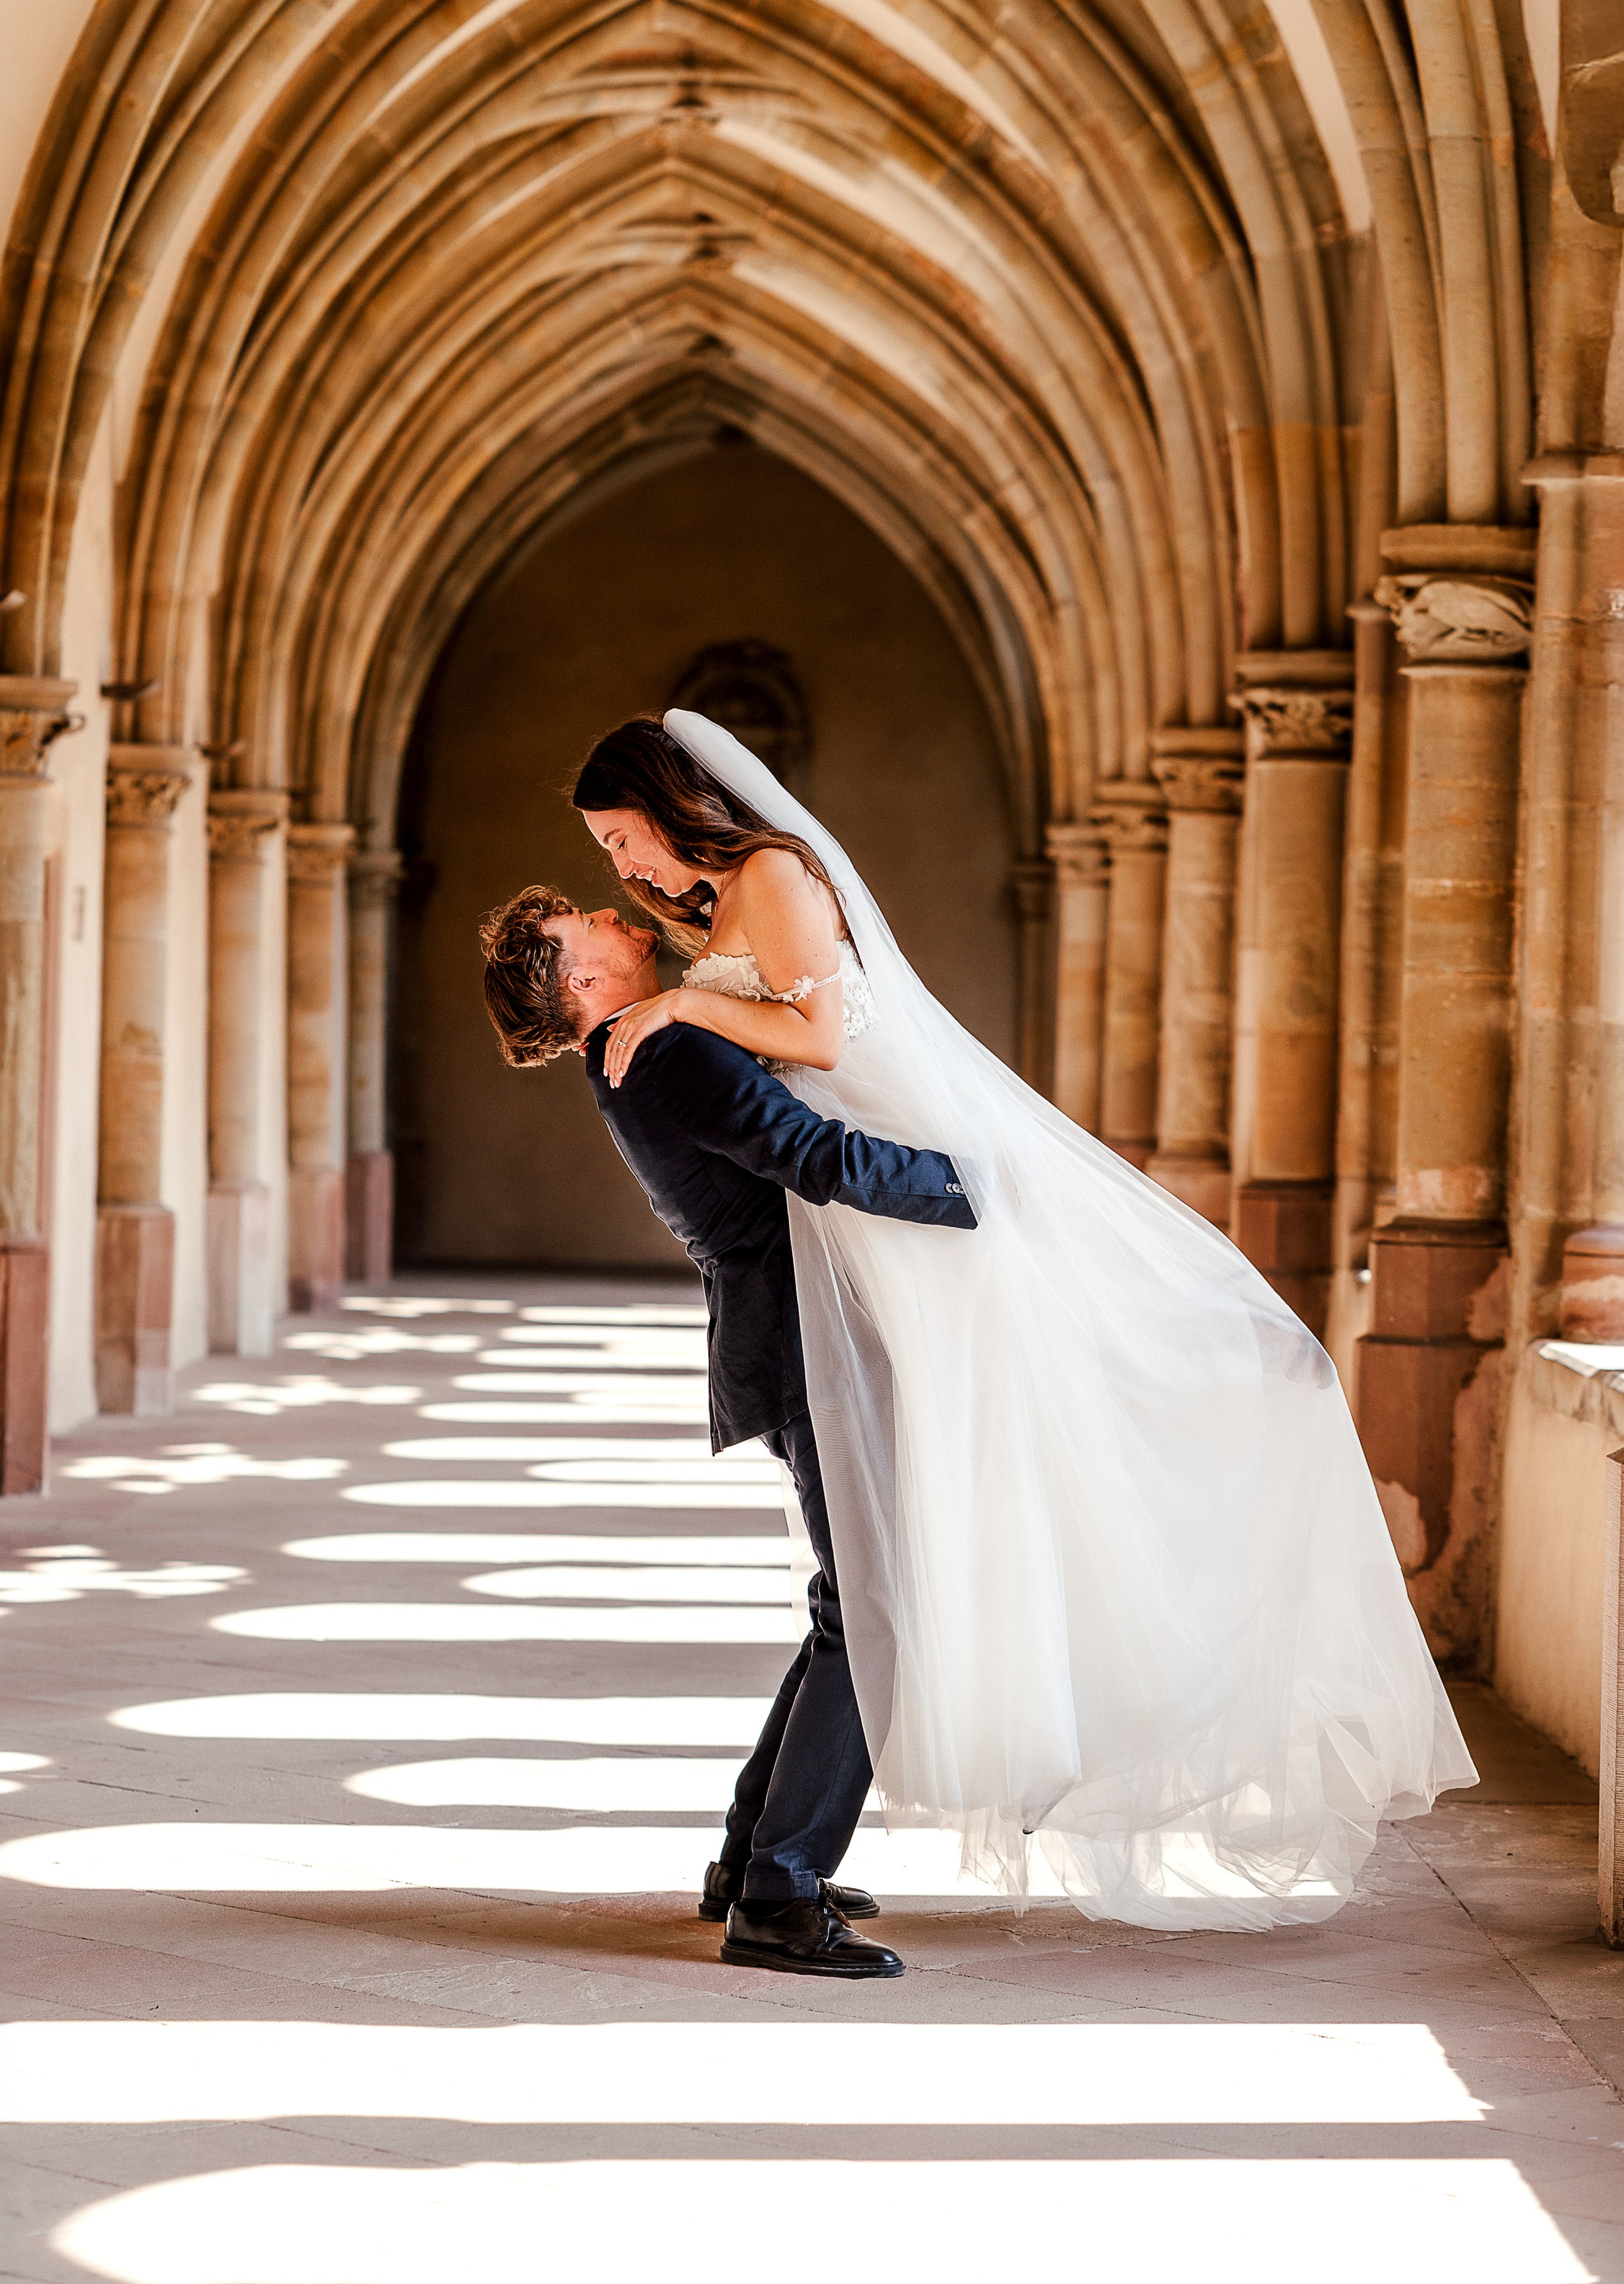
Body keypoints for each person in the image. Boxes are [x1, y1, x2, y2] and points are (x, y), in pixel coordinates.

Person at [561, 710, 1478, 1931]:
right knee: (870, 1598)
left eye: (624, 840)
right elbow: (797, 1087)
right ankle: (767, 1874)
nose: (623, 872)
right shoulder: (701, 939)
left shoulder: (768, 877)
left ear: (674, 802)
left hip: (894, 1225)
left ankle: (765, 1862)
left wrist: (680, 1007)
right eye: (607, 861)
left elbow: (824, 1039)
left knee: (874, 1587)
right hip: (857, 1257)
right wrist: (679, 1007)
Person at [479, 884, 978, 1978]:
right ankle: (777, 1896)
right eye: (582, 921)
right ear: (576, 981)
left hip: (784, 1340)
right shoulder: (656, 1055)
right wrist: (976, 1189)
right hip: (802, 1345)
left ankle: (754, 1855)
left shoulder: (644, 1044)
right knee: (873, 1611)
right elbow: (817, 1158)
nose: (613, 910)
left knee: (849, 1601)